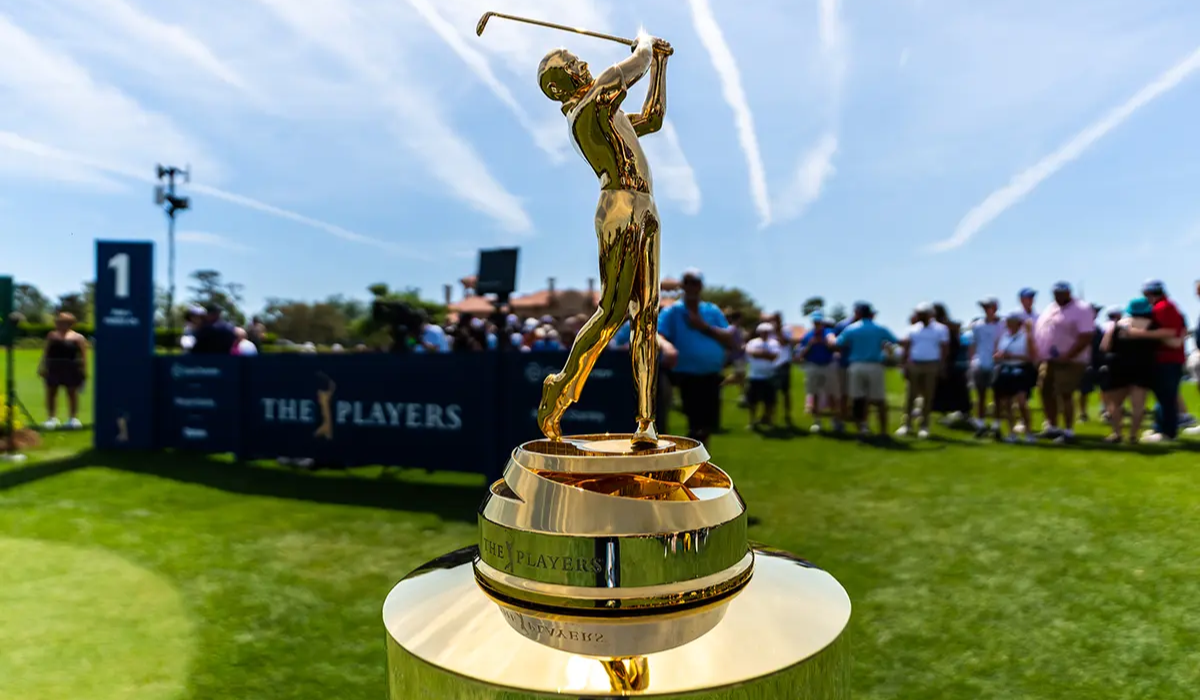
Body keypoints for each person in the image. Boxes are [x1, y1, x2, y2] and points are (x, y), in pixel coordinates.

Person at [534, 33, 673, 445]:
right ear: (560, 87)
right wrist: (647, 46)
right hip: (618, 206)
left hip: (645, 205)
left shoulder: (606, 110)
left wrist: (661, 66)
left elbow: (653, 118)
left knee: (647, 314)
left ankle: (646, 422)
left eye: (576, 59)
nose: (582, 65)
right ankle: (560, 388)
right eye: (571, 65)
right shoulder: (587, 107)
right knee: (613, 312)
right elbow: (631, 67)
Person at [658, 269, 735, 445]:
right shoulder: (673, 311)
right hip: (685, 374)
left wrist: (703, 326)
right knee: (694, 423)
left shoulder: (711, 310)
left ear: (700, 286)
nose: (691, 287)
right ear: (682, 285)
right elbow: (658, 334)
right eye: (687, 282)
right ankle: (689, 459)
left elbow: (729, 336)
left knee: (706, 425)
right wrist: (668, 347)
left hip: (710, 373)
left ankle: (701, 462)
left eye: (695, 282)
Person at [1033, 282, 1095, 443]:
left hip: (1071, 360)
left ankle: (1068, 431)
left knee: (1065, 393)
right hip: (1049, 359)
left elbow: (1086, 336)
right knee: (1045, 390)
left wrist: (1069, 355)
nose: (1058, 296)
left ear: (1069, 293)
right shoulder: (1051, 308)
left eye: (1062, 293)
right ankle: (1052, 427)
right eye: (1056, 293)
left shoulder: (1082, 309)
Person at [1131, 280, 1187, 443]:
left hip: (1168, 359)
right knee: (1163, 397)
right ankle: (1161, 428)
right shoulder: (1166, 306)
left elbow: (1169, 332)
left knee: (1166, 397)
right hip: (1166, 359)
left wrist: (1138, 333)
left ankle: (1168, 433)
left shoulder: (1163, 307)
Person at [1098, 298, 1157, 444]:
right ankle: (1133, 436)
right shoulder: (1152, 325)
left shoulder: (1119, 325)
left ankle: (1117, 433)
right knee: (1138, 405)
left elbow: (1104, 346)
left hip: (1118, 365)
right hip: (1142, 366)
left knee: (1114, 404)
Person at [835, 304, 898, 437]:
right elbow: (894, 340)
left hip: (856, 366)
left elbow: (838, 343)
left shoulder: (851, 328)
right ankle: (883, 431)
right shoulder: (879, 328)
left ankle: (862, 429)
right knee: (880, 400)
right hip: (875, 366)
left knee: (858, 399)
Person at [897, 302, 948, 439]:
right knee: (910, 395)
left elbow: (944, 348)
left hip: (932, 364)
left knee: (928, 396)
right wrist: (903, 365)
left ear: (930, 315)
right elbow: (906, 348)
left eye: (923, 314)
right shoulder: (912, 329)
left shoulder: (940, 329)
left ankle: (924, 425)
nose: (920, 316)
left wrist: (942, 365)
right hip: (914, 364)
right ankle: (906, 424)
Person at [993, 311, 1037, 444]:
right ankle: (1011, 432)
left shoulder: (1025, 337)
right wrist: (999, 356)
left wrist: (1011, 356)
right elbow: (997, 353)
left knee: (1022, 402)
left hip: (1021, 369)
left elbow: (1030, 357)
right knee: (1006, 403)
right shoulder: (1003, 336)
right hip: (1005, 369)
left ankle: (1029, 432)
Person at [38, 312, 87, 430]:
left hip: (71, 367)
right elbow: (45, 352)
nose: (59, 324)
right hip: (54, 366)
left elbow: (83, 356)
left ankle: (72, 419)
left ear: (70, 324)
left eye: (62, 322)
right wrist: (41, 366)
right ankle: (51, 418)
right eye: (58, 322)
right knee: (51, 392)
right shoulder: (52, 336)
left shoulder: (78, 338)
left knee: (71, 393)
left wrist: (83, 371)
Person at [796, 311, 840, 433]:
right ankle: (817, 421)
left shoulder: (829, 333)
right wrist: (810, 344)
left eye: (819, 322)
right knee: (814, 394)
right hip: (812, 366)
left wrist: (826, 342)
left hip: (828, 365)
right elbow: (800, 355)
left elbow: (835, 346)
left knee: (832, 394)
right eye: (815, 322)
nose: (817, 324)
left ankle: (835, 421)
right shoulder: (808, 336)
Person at [968, 297, 1003, 437]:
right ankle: (981, 424)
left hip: (997, 364)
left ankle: (996, 425)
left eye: (988, 307)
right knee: (980, 395)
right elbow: (973, 344)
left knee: (997, 397)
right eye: (984, 307)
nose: (986, 310)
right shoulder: (977, 325)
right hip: (981, 363)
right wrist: (972, 359)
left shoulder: (1003, 324)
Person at [831, 303, 868, 433]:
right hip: (844, 364)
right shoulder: (843, 325)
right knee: (843, 394)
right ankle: (839, 420)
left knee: (861, 395)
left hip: (861, 364)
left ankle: (861, 423)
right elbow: (835, 343)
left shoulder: (866, 327)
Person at [744, 322, 781, 429]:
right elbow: (751, 353)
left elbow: (774, 356)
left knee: (769, 401)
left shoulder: (774, 343)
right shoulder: (752, 342)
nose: (765, 334)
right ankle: (752, 421)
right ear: (759, 332)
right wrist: (765, 354)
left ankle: (768, 420)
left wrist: (759, 354)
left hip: (769, 376)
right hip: (754, 376)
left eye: (767, 332)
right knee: (752, 401)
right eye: (763, 332)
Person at [1077, 304, 1104, 423]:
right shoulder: (1080, 328)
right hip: (1084, 362)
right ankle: (1082, 414)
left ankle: (1104, 411)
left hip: (1098, 362)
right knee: (1084, 390)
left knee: (1103, 388)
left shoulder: (1098, 330)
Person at [768, 312, 795, 427]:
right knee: (771, 393)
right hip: (771, 365)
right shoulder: (768, 331)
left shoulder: (786, 329)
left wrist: (778, 330)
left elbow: (784, 342)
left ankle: (787, 416)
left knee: (785, 392)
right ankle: (771, 417)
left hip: (783, 364)